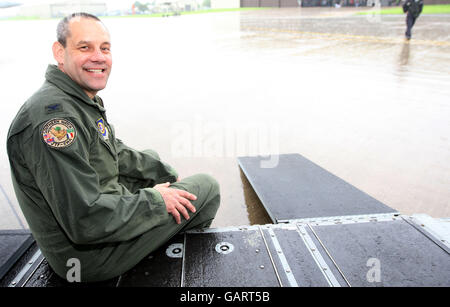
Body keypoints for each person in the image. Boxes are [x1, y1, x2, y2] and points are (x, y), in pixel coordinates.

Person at [7, 12, 220, 283]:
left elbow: (112, 150)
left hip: (95, 216)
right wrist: (156, 200)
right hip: (86, 257)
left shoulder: (74, 98)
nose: (98, 57)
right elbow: (84, 220)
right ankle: (166, 260)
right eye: (85, 47)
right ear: (60, 53)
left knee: (153, 166)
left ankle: (155, 230)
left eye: (104, 48)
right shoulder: (56, 120)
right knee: (207, 187)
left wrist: (164, 173)